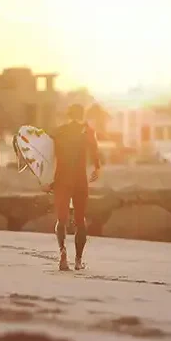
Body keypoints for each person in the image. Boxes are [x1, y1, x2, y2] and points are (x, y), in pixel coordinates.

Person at [48, 104, 100, 271]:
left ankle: (62, 253)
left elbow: (46, 155)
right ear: (82, 114)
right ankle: (78, 261)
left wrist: (45, 179)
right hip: (80, 180)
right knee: (79, 220)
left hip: (61, 179)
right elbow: (94, 150)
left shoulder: (58, 132)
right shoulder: (86, 131)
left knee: (61, 219)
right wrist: (97, 167)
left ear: (68, 115)